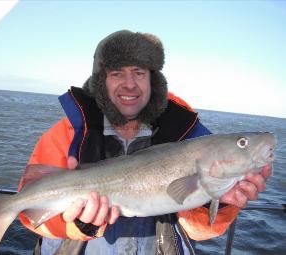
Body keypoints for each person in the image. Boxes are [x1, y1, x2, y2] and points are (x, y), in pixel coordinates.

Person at [18, 30, 271, 255]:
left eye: (139, 72)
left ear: (153, 79)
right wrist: (77, 224)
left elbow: (200, 232)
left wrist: (218, 201)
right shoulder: (65, 134)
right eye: (117, 73)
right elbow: (30, 216)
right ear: (100, 81)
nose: (130, 84)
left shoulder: (187, 133)